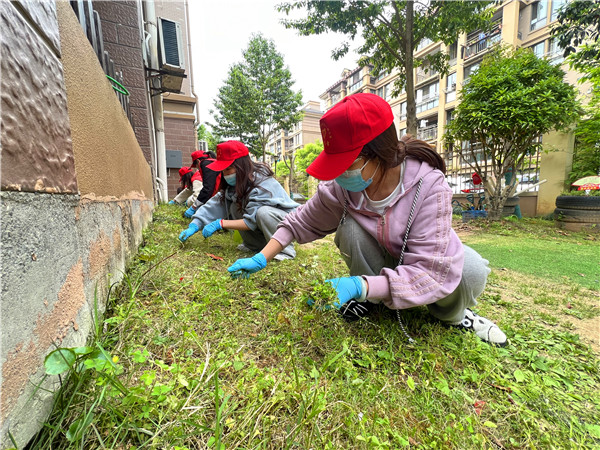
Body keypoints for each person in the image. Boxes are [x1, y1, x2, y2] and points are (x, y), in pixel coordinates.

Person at [226, 93, 507, 346]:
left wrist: (357, 284)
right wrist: (263, 256)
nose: (340, 174)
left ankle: (455, 316)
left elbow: (429, 270)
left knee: (469, 269)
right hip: (384, 262)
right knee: (351, 228)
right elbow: (301, 220)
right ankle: (372, 300)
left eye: (346, 164)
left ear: (379, 154)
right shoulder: (344, 187)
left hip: (424, 262)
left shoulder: (429, 186)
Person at [178, 140, 299, 261]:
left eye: (228, 169)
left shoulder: (261, 183)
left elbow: (251, 221)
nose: (225, 174)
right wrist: (196, 223)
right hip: (266, 223)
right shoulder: (236, 186)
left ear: (242, 166)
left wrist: (220, 223)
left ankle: (285, 251)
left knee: (263, 213)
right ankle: (254, 246)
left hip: (287, 223)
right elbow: (216, 203)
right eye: (223, 170)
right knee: (235, 207)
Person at [183, 150, 222, 218]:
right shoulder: (212, 162)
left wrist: (194, 206)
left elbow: (208, 188)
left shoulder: (205, 164)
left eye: (196, 166)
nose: (198, 169)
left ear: (198, 161)